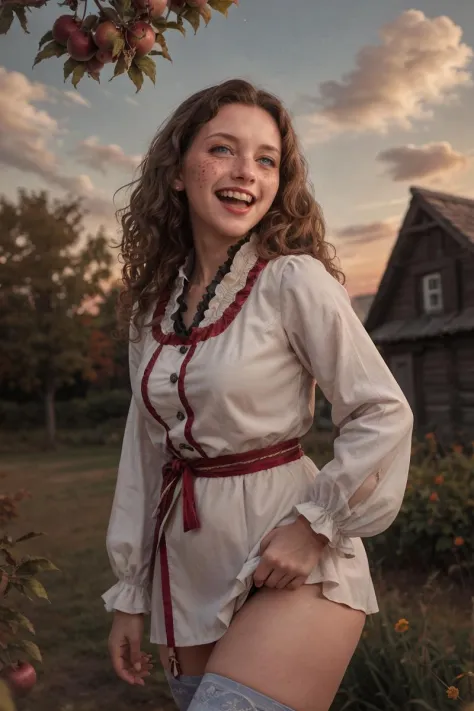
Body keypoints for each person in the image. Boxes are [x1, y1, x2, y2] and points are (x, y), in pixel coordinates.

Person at [102, 78, 413, 711]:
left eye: (266, 159)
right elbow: (144, 455)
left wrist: (313, 527)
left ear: (279, 182)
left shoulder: (292, 280)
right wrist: (132, 594)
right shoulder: (150, 315)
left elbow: (381, 411)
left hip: (290, 550)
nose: (246, 171)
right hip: (186, 570)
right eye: (223, 149)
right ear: (179, 171)